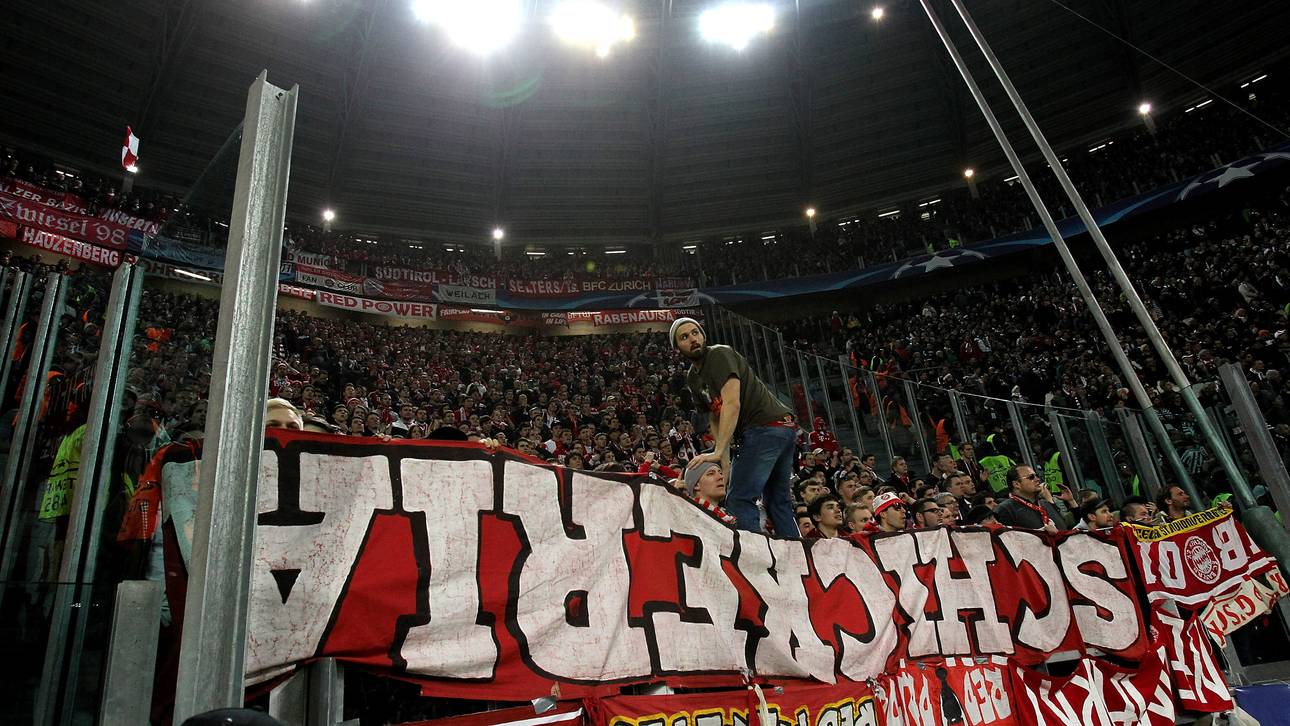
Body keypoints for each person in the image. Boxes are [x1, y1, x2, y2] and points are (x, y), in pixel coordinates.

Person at [675, 318, 799, 537]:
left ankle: (750, 561)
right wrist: (722, 457)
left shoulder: (719, 354)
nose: (693, 339)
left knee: (739, 498)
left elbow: (732, 403)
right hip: (781, 428)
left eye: (695, 332)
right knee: (777, 501)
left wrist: (721, 449)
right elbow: (715, 415)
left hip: (764, 426)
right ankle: (796, 557)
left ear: (703, 335)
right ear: (677, 348)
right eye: (684, 337)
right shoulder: (693, 378)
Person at [992, 464, 1065, 532]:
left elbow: (1065, 528)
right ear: (1016, 484)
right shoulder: (1005, 509)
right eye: (1031, 477)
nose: (1038, 479)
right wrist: (1042, 534)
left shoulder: (1044, 503)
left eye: (1036, 476)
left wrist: (1072, 502)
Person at [684, 460, 736, 525]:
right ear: (696, 485)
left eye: (720, 473)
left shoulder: (726, 514)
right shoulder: (691, 516)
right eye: (711, 474)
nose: (721, 477)